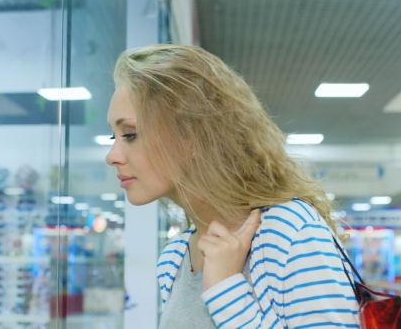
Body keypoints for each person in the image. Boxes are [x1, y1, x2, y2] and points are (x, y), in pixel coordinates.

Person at [105, 44, 360, 328]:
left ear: (190, 135)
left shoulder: (289, 232)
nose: (112, 156)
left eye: (130, 134)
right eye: (112, 136)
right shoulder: (175, 258)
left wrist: (226, 290)